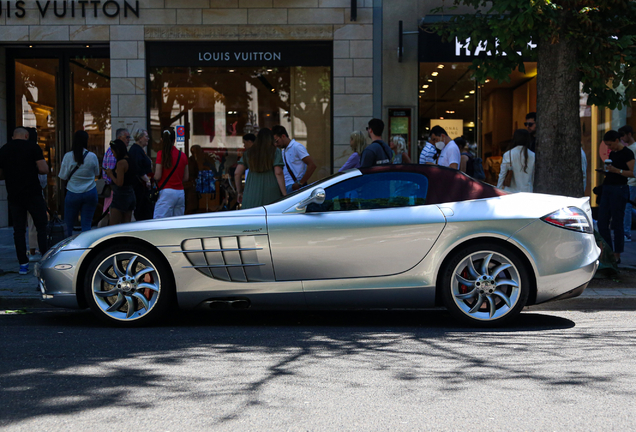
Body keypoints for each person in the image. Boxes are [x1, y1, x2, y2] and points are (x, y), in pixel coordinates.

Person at [0, 127, 50, 275]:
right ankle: (45, 260)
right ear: (27, 135)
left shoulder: (4, 149)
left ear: (13, 136)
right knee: (41, 226)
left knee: (19, 230)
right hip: (33, 193)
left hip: (14, 195)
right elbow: (43, 169)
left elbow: (0, 174)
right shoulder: (33, 147)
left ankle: (23, 264)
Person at [598, 130, 635, 263]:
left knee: (617, 222)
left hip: (620, 188)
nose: (609, 148)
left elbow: (632, 173)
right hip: (609, 186)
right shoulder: (613, 153)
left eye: (610, 144)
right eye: (607, 145)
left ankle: (617, 253)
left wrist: (617, 171)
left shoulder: (627, 153)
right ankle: (608, 250)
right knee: (602, 221)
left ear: (616, 140)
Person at [58, 130, 100, 236]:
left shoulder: (68, 156)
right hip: (90, 191)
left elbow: (63, 176)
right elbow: (97, 173)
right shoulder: (92, 156)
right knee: (87, 225)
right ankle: (86, 247)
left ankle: (68, 248)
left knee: (69, 225)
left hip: (72, 192)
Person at [235, 128, 287, 209]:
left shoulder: (249, 153)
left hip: (251, 191)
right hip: (271, 191)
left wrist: (239, 192)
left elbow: (237, 173)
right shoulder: (275, 151)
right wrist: (284, 194)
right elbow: (278, 172)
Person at [153, 129, 189, 219]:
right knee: (177, 223)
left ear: (162, 139)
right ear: (174, 140)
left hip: (166, 192)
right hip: (180, 193)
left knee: (159, 223)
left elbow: (158, 176)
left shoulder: (160, 154)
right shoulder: (183, 155)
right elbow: (186, 177)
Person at [272, 125, 317, 193]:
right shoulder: (283, 151)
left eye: (277, 141)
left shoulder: (297, 147)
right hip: (286, 187)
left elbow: (312, 165)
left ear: (283, 136)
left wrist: (300, 183)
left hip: (295, 187)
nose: (276, 144)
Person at [106, 139, 137, 225]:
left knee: (113, 225)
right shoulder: (130, 159)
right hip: (131, 194)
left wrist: (110, 174)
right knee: (126, 225)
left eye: (113, 152)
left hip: (121, 196)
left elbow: (119, 182)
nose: (113, 154)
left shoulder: (121, 163)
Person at [101, 128, 131, 216]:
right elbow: (111, 174)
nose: (129, 140)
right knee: (109, 215)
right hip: (114, 190)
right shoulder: (113, 153)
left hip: (116, 189)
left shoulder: (120, 153)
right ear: (119, 138)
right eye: (127, 137)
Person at [128, 129, 154, 221]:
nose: (148, 139)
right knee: (143, 210)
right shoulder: (136, 150)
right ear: (140, 138)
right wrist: (146, 179)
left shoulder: (139, 150)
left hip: (143, 187)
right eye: (146, 136)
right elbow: (137, 167)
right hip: (140, 187)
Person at [620, 126, 636, 242]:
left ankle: (626, 233)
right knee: (627, 207)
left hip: (631, 181)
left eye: (623, 135)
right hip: (629, 181)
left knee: (627, 207)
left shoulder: (632, 149)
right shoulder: (630, 148)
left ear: (629, 134)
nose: (622, 138)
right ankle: (626, 232)